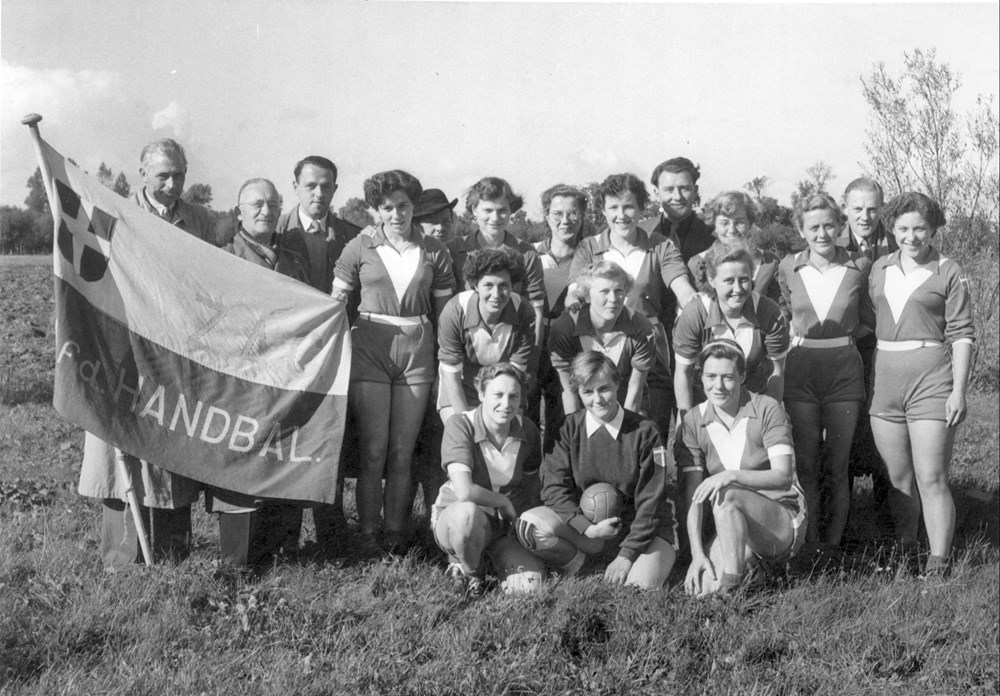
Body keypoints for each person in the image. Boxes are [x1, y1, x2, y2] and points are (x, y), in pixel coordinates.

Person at [79, 137, 217, 572]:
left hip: (177, 348)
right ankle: (122, 556)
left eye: (179, 175)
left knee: (174, 440)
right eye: (163, 175)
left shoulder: (200, 221)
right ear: (142, 173)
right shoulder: (114, 215)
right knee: (121, 442)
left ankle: (173, 552)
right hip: (124, 345)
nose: (173, 184)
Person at [333, 169, 454, 554]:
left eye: (403, 206)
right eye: (387, 207)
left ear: (413, 207)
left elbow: (446, 316)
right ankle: (368, 533)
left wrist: (445, 368)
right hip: (371, 347)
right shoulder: (360, 246)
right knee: (373, 449)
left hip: (417, 352)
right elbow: (335, 305)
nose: (396, 214)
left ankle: (395, 534)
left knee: (403, 451)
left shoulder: (435, 249)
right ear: (375, 210)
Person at [868, 192, 974, 575]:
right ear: (892, 228)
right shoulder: (879, 267)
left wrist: (958, 390)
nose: (911, 237)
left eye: (920, 229)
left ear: (932, 229)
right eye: (903, 229)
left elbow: (962, 334)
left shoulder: (948, 269)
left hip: (931, 379)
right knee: (898, 478)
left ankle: (938, 561)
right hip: (885, 380)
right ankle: (906, 550)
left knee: (931, 476)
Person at [208, 178, 311, 569]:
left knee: (282, 455)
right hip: (240, 376)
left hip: (285, 377)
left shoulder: (295, 262)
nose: (265, 210)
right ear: (239, 212)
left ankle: (283, 549)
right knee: (239, 460)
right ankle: (237, 557)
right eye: (255, 204)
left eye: (272, 203)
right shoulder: (223, 257)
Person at [532, 351, 678, 590]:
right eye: (588, 392)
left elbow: (652, 502)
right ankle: (579, 563)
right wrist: (586, 527)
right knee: (530, 527)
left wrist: (626, 555)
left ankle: (632, 560)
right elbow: (553, 488)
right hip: (591, 529)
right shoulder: (567, 428)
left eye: (604, 389)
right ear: (578, 392)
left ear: (617, 384)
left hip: (642, 531)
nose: (597, 399)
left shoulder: (645, 432)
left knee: (635, 590)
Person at [275, 155, 361, 557]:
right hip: (289, 359)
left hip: (337, 358)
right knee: (289, 438)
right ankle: (284, 531)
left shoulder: (353, 236)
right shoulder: (274, 232)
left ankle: (333, 531)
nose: (319, 194)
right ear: (295, 186)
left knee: (332, 438)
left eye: (327, 186)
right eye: (311, 185)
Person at [778, 194, 873, 550]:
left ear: (840, 225)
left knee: (837, 463)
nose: (822, 233)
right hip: (801, 370)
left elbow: (869, 318)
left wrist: (841, 338)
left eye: (829, 225)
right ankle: (809, 540)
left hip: (844, 371)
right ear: (801, 230)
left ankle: (832, 546)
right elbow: (786, 313)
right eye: (814, 227)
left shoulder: (859, 265)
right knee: (806, 462)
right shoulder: (788, 266)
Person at [568, 173, 697, 437]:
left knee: (651, 426)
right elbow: (575, 293)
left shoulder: (660, 245)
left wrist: (695, 304)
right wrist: (575, 301)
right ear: (603, 210)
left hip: (650, 346)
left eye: (628, 206)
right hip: (601, 347)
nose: (621, 215)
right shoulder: (589, 247)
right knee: (604, 425)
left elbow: (681, 286)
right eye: (613, 207)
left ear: (641, 209)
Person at [679, 340, 807, 596]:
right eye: (710, 376)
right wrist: (697, 553)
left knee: (727, 494)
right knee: (703, 590)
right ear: (700, 377)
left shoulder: (766, 407)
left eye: (728, 377)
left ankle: (731, 594)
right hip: (730, 516)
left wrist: (731, 476)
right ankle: (754, 571)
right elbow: (694, 494)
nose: (718, 386)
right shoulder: (692, 420)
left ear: (742, 376)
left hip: (781, 516)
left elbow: (782, 477)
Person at [430, 363, 546, 595]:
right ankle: (470, 570)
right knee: (467, 516)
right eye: (498, 395)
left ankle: (493, 558)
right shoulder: (461, 424)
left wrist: (528, 523)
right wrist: (503, 502)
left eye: (514, 396)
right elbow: (464, 491)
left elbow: (532, 484)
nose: (506, 404)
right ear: (482, 394)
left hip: (503, 527)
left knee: (529, 587)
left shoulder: (528, 430)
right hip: (458, 517)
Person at [673, 243, 789, 419]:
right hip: (705, 406)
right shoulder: (695, 314)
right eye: (729, 281)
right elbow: (683, 372)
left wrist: (769, 419)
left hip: (754, 407)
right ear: (711, 280)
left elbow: (776, 373)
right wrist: (687, 424)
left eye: (744, 279)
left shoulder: (768, 312)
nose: (738, 289)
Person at [838, 177, 896, 524]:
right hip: (844, 346)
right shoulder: (831, 240)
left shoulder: (897, 242)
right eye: (857, 208)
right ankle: (839, 525)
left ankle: (888, 522)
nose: (865, 216)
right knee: (844, 427)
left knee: (885, 427)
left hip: (886, 346)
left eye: (872, 208)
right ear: (845, 208)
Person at [447, 177, 546, 370]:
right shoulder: (453, 250)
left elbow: (536, 312)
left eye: (502, 210)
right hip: (463, 354)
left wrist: (531, 364)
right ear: (474, 210)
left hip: (510, 356)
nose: (495, 217)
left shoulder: (526, 253)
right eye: (488, 210)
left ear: (511, 211)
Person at [437, 249, 536, 423]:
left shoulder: (524, 312)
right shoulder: (455, 311)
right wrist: (466, 423)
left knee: (505, 435)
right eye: (488, 285)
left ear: (512, 285)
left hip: (504, 388)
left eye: (504, 285)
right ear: (475, 285)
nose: (496, 295)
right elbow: (451, 377)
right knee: (460, 432)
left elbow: (514, 377)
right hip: (460, 386)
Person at [549, 261, 655, 418]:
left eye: (619, 291)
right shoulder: (565, 327)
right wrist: (576, 433)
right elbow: (569, 391)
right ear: (587, 295)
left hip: (624, 405)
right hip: (581, 407)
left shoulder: (641, 328)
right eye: (604, 291)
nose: (613, 299)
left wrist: (624, 435)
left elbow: (635, 390)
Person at [531, 184, 588, 452]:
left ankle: (558, 485)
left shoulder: (588, 258)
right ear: (546, 215)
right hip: (531, 348)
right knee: (526, 419)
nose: (566, 221)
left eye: (573, 213)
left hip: (569, 351)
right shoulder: (530, 254)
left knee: (562, 421)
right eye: (558, 214)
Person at [688, 191, 781, 304]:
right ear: (714, 226)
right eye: (724, 223)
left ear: (750, 224)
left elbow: (779, 310)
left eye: (739, 222)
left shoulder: (769, 263)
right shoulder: (697, 262)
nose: (732, 230)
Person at [639, 157, 715, 263]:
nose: (678, 197)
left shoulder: (713, 234)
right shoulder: (640, 233)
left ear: (695, 191)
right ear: (657, 194)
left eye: (684, 189)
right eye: (669, 190)